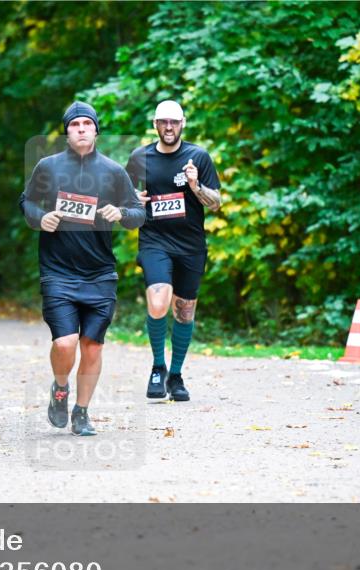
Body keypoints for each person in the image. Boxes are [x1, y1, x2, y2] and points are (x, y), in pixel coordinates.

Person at [19, 101, 145, 436]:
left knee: (93, 345)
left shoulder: (114, 171)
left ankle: (82, 412)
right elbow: (27, 201)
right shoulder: (48, 167)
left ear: (96, 130)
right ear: (67, 131)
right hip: (57, 270)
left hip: (100, 272)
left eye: (87, 124)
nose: (81, 129)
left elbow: (138, 213)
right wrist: (39, 217)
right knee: (65, 342)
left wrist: (122, 214)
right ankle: (60, 389)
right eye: (74, 124)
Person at [124, 100, 222, 401]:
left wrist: (195, 186)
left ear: (183, 123)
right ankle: (158, 367)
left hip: (191, 245)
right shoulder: (140, 157)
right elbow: (124, 206)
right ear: (155, 124)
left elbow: (216, 202)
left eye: (174, 122)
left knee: (185, 310)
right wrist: (133, 203)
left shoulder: (198, 156)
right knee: (158, 301)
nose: (169, 127)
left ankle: (176, 375)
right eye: (163, 122)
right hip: (155, 241)